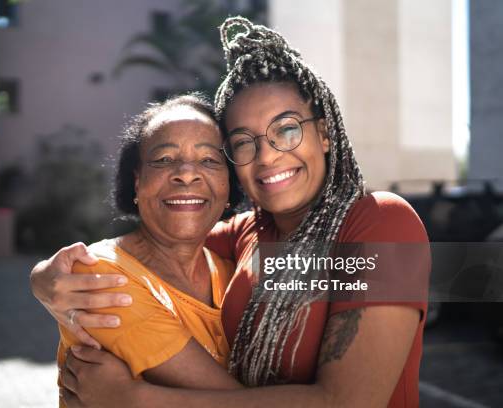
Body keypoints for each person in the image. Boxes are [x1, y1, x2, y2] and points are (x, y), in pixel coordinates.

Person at [32, 17, 430, 407]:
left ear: (324, 134)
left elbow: (346, 403)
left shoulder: (380, 222)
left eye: (287, 129)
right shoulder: (248, 235)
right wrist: (47, 278)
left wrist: (138, 399)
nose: (268, 155)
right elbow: (165, 240)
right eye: (243, 142)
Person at [54, 94, 247, 406]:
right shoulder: (99, 274)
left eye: (209, 160)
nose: (186, 173)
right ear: (137, 182)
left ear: (229, 186)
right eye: (164, 160)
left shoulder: (233, 272)